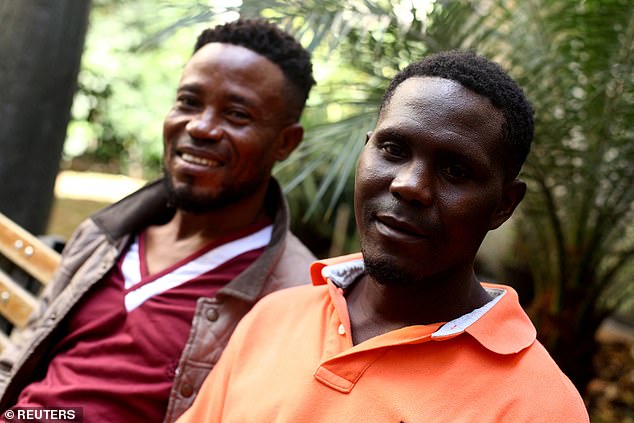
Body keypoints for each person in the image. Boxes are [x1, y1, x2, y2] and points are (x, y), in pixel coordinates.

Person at [177, 51, 590, 422]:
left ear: (504, 204)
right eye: (393, 149)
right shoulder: (273, 317)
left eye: (456, 171)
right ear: (365, 151)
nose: (410, 186)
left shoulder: (539, 406)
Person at [0, 19, 316, 422]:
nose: (200, 127)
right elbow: (17, 362)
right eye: (188, 102)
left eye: (236, 114)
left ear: (286, 142)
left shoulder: (292, 295)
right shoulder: (106, 235)